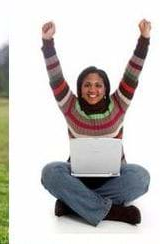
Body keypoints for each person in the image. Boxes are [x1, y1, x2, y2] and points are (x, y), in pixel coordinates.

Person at [40, 19, 151, 226]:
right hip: (78, 176)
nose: (93, 89)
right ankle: (113, 212)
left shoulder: (119, 103)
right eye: (87, 85)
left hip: (114, 177)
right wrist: (48, 43)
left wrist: (144, 40)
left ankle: (74, 203)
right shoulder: (70, 106)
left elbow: (133, 73)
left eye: (98, 85)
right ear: (80, 88)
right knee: (50, 172)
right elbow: (55, 77)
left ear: (105, 88)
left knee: (141, 177)